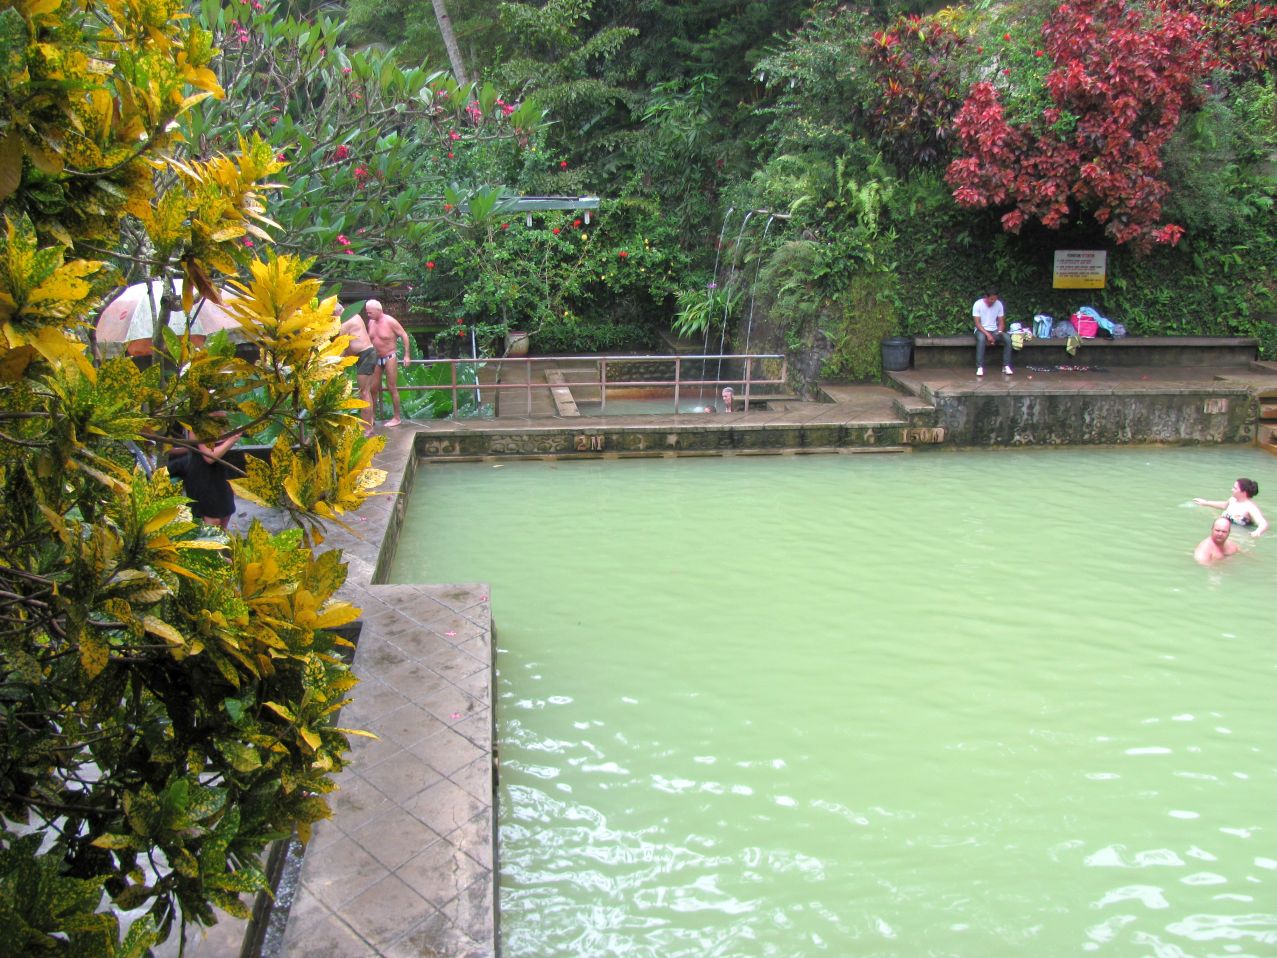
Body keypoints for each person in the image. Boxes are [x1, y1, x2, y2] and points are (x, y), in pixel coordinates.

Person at [179, 417, 241, 529]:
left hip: (221, 475)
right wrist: (232, 440)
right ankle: (209, 539)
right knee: (213, 520)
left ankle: (222, 540)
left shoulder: (222, 425)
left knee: (225, 515)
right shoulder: (198, 428)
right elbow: (209, 457)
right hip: (203, 477)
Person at [365, 299, 412, 427]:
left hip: (389, 356)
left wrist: (407, 355)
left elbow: (404, 335)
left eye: (370, 312)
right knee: (373, 388)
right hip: (376, 357)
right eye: (367, 312)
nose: (368, 315)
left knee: (392, 387)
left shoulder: (390, 321)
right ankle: (372, 417)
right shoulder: (370, 322)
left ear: (378, 310)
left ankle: (397, 417)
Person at [338, 304, 376, 437]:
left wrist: (334, 363)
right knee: (366, 392)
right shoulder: (356, 316)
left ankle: (367, 429)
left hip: (366, 355)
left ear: (337, 313)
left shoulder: (346, 322)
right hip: (367, 354)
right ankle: (370, 423)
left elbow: (342, 346)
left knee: (364, 393)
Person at [1194, 478, 1267, 537]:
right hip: (1225, 533)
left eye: (1235, 488)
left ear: (1243, 492)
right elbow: (1223, 505)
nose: (1232, 489)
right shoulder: (1233, 499)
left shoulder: (1250, 507)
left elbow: (1263, 523)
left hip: (1240, 537)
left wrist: (1257, 532)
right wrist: (1205, 503)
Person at [972, 289, 1014, 377]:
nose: (993, 301)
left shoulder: (999, 304)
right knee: (981, 339)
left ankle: (1006, 365)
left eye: (995, 299)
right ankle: (979, 367)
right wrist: (988, 335)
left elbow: (1001, 322)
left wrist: (999, 332)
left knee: (1007, 338)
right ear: (986, 297)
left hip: (994, 330)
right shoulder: (978, 304)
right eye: (991, 299)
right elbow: (977, 323)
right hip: (981, 330)